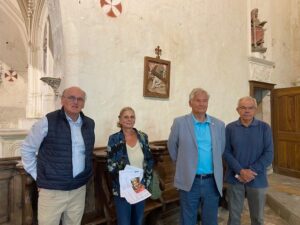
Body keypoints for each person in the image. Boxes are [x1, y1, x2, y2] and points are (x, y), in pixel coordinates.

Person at [21, 86, 95, 225]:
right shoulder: (47, 121)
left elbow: (87, 154)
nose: (75, 102)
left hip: (78, 189)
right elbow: (27, 149)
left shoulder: (89, 124)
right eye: (71, 97)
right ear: (62, 100)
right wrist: (38, 176)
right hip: (52, 191)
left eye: (80, 99)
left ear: (84, 103)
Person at [168, 88, 225, 225]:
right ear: (190, 103)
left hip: (212, 181)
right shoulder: (180, 123)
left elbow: (220, 149)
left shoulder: (218, 124)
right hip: (190, 180)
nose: (201, 104)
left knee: (210, 220)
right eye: (198, 101)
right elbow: (172, 147)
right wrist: (183, 164)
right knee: (188, 219)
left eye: (205, 101)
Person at [223, 96, 274, 225]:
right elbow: (226, 152)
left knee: (258, 218)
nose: (247, 111)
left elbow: (269, 154)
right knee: (234, 218)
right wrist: (240, 171)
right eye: (243, 108)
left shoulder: (264, 128)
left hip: (257, 178)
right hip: (235, 178)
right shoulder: (230, 128)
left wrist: (250, 171)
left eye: (250, 108)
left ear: (255, 110)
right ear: (237, 110)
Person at [107, 107, 153, 225]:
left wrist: (145, 183)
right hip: (123, 187)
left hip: (140, 186)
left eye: (132, 117)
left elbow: (149, 161)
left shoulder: (143, 137)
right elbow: (110, 165)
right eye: (126, 117)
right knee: (124, 222)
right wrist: (129, 181)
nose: (129, 119)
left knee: (138, 221)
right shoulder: (114, 139)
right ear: (120, 120)